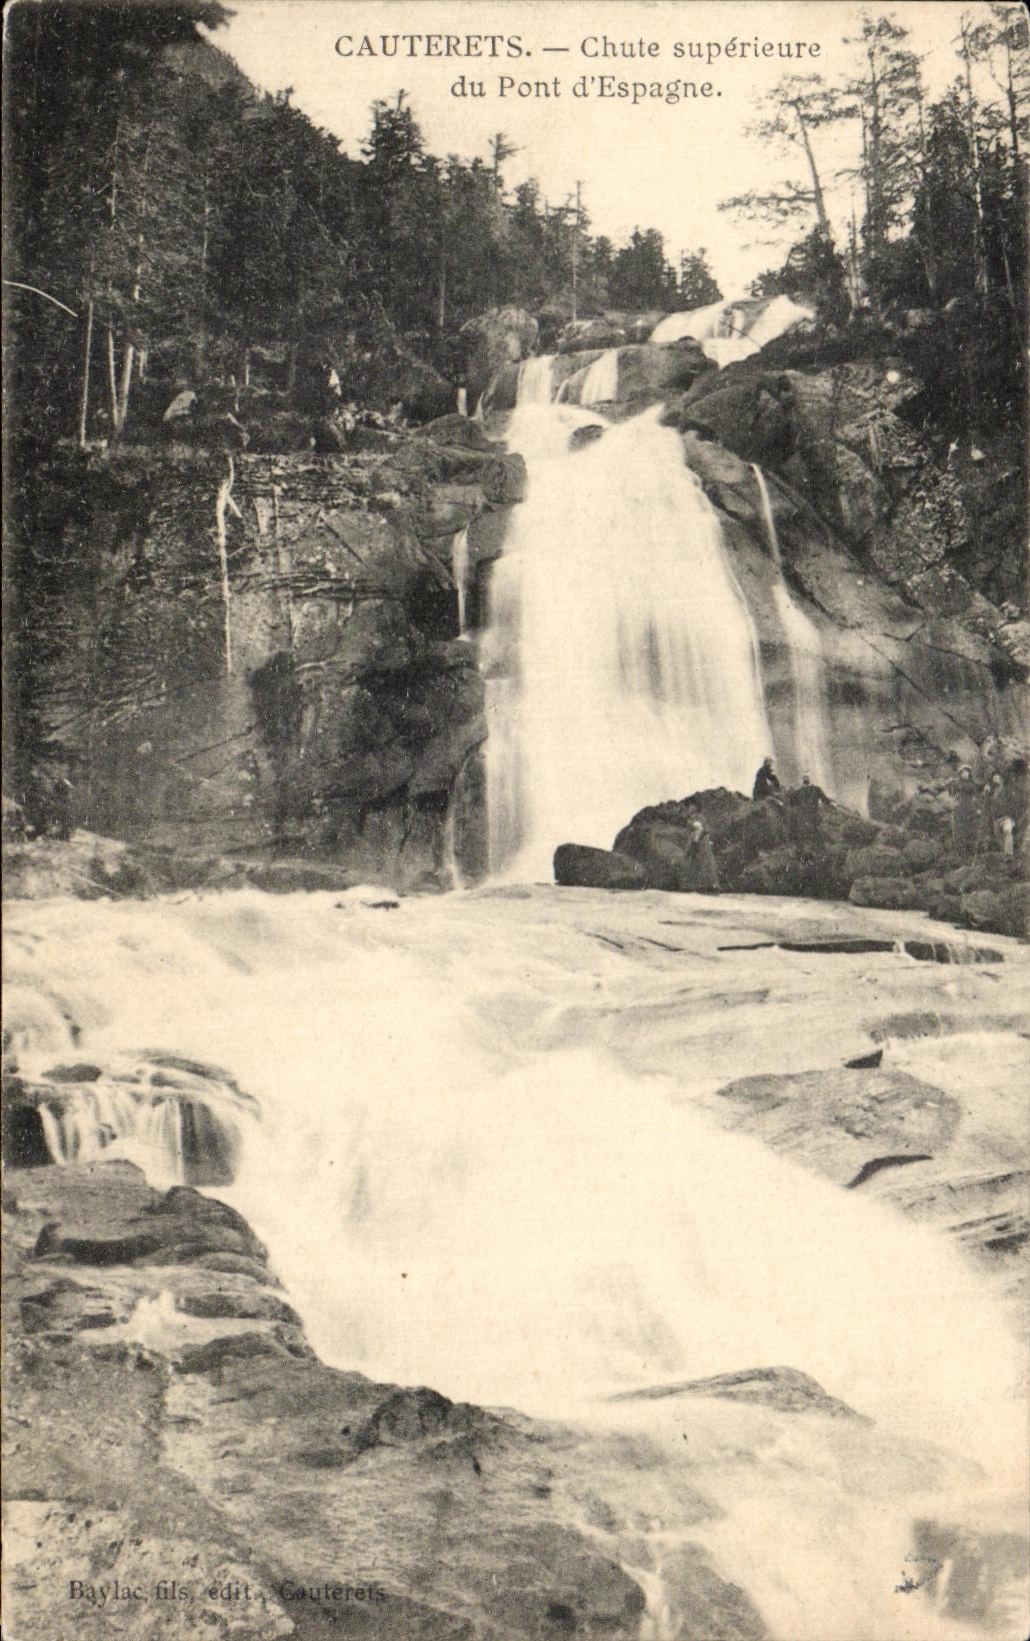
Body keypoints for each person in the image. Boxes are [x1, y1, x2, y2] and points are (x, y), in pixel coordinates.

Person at [786, 775, 829, 853]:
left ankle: (800, 851)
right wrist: (829, 803)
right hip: (814, 816)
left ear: (803, 782)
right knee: (816, 832)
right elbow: (825, 800)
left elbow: (791, 803)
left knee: (802, 835)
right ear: (810, 781)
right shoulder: (816, 789)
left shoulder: (798, 792)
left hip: (802, 818)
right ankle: (821, 850)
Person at [682, 818, 720, 893]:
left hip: (702, 860)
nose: (696, 831)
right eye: (695, 829)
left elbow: (691, 849)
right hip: (698, 859)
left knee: (703, 870)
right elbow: (689, 848)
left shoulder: (703, 838)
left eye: (698, 829)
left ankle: (708, 885)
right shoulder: (696, 837)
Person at [949, 764, 979, 857]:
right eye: (964, 772)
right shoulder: (956, 783)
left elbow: (975, 797)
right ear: (960, 773)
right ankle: (959, 851)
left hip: (970, 807)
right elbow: (953, 795)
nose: (966, 773)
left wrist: (977, 808)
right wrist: (954, 804)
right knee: (959, 829)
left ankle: (970, 851)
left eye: (967, 771)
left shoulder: (973, 784)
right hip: (960, 808)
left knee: (970, 828)